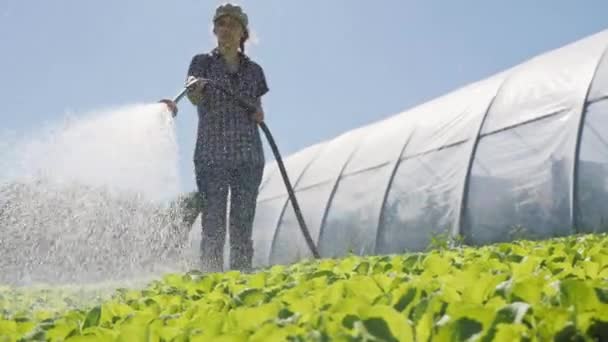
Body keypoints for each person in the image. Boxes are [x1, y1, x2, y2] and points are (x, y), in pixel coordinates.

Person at [167, 3, 269, 273]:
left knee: (241, 227)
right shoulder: (202, 63)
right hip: (212, 157)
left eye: (231, 24)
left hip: (249, 157)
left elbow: (258, 107)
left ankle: (242, 282)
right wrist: (195, 90)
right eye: (220, 24)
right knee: (213, 225)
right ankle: (212, 284)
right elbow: (193, 94)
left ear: (242, 33)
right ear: (214, 29)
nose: (225, 29)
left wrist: (259, 113)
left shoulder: (255, 71)